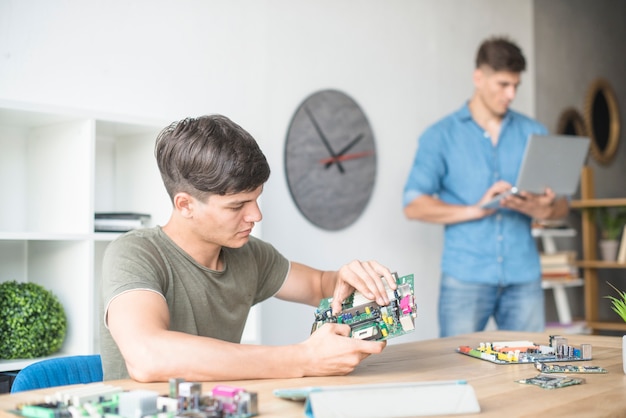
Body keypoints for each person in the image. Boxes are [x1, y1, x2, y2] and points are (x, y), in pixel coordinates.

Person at [100, 114, 397, 382]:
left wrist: (347, 277)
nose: (256, 215)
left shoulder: (250, 254)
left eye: (256, 199)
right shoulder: (134, 254)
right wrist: (304, 358)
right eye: (237, 206)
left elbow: (321, 286)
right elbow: (147, 357)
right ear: (185, 205)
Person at [402, 36, 569, 338]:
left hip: (524, 276)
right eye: (503, 84)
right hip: (465, 277)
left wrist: (541, 208)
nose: (511, 94)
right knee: (459, 367)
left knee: (532, 369)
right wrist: (476, 209)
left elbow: (561, 207)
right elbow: (413, 205)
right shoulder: (440, 136)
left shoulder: (534, 132)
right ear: (479, 77)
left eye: (516, 86)